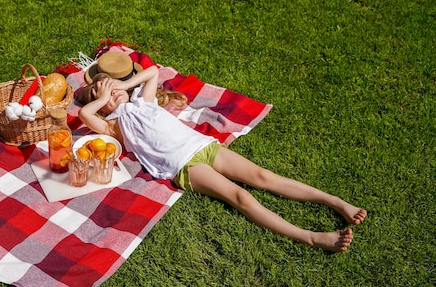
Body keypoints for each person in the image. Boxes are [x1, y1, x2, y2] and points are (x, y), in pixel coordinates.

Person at [78, 65, 367, 252]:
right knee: (239, 197)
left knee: (263, 177)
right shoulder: (113, 125)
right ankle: (312, 237)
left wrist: (120, 85)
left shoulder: (144, 100)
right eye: (98, 92)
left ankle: (336, 202)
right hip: (184, 165)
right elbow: (84, 115)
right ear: (100, 104)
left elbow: (152, 71)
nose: (108, 91)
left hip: (201, 145)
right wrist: (104, 99)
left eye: (110, 86)